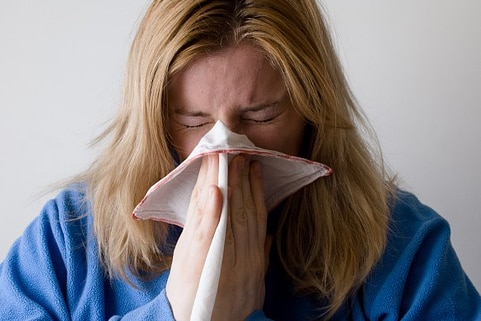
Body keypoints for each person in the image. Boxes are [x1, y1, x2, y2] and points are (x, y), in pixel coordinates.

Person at [1, 0, 480, 320]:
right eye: (192, 120)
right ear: (152, 118)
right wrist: (178, 309)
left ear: (312, 109)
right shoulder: (68, 240)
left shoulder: (402, 246)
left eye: (262, 114)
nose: (225, 147)